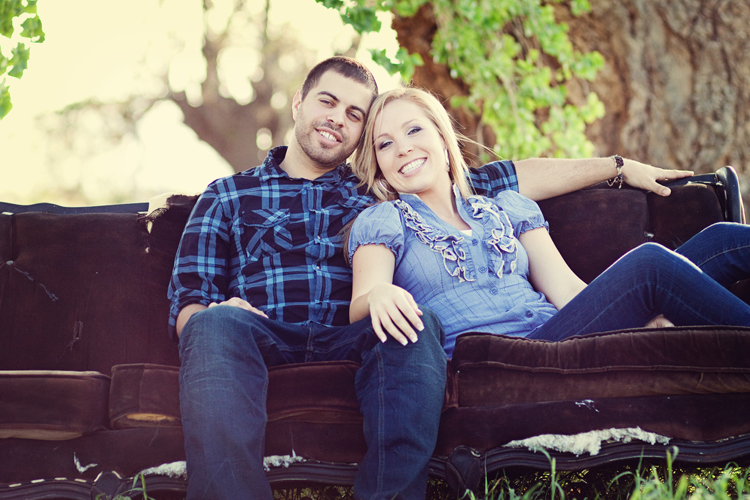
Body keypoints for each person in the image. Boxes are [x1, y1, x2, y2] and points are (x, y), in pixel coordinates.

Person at [169, 57, 693, 500]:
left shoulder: (381, 186)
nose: (338, 120)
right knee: (211, 326)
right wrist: (215, 315)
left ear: (361, 134)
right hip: (266, 335)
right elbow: (189, 303)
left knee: (420, 326)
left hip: (364, 331)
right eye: (327, 102)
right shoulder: (228, 194)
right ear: (299, 104)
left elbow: (507, 176)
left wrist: (617, 166)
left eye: (355, 114)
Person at [348, 87, 750, 357]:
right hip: (499, 358)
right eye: (385, 144)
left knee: (723, 240)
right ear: (379, 164)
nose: (403, 148)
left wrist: (635, 321)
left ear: (440, 136)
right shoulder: (384, 221)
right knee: (650, 266)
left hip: (557, 333)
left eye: (413, 130)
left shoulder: (503, 207)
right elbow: (361, 305)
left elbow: (567, 291)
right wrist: (377, 296)